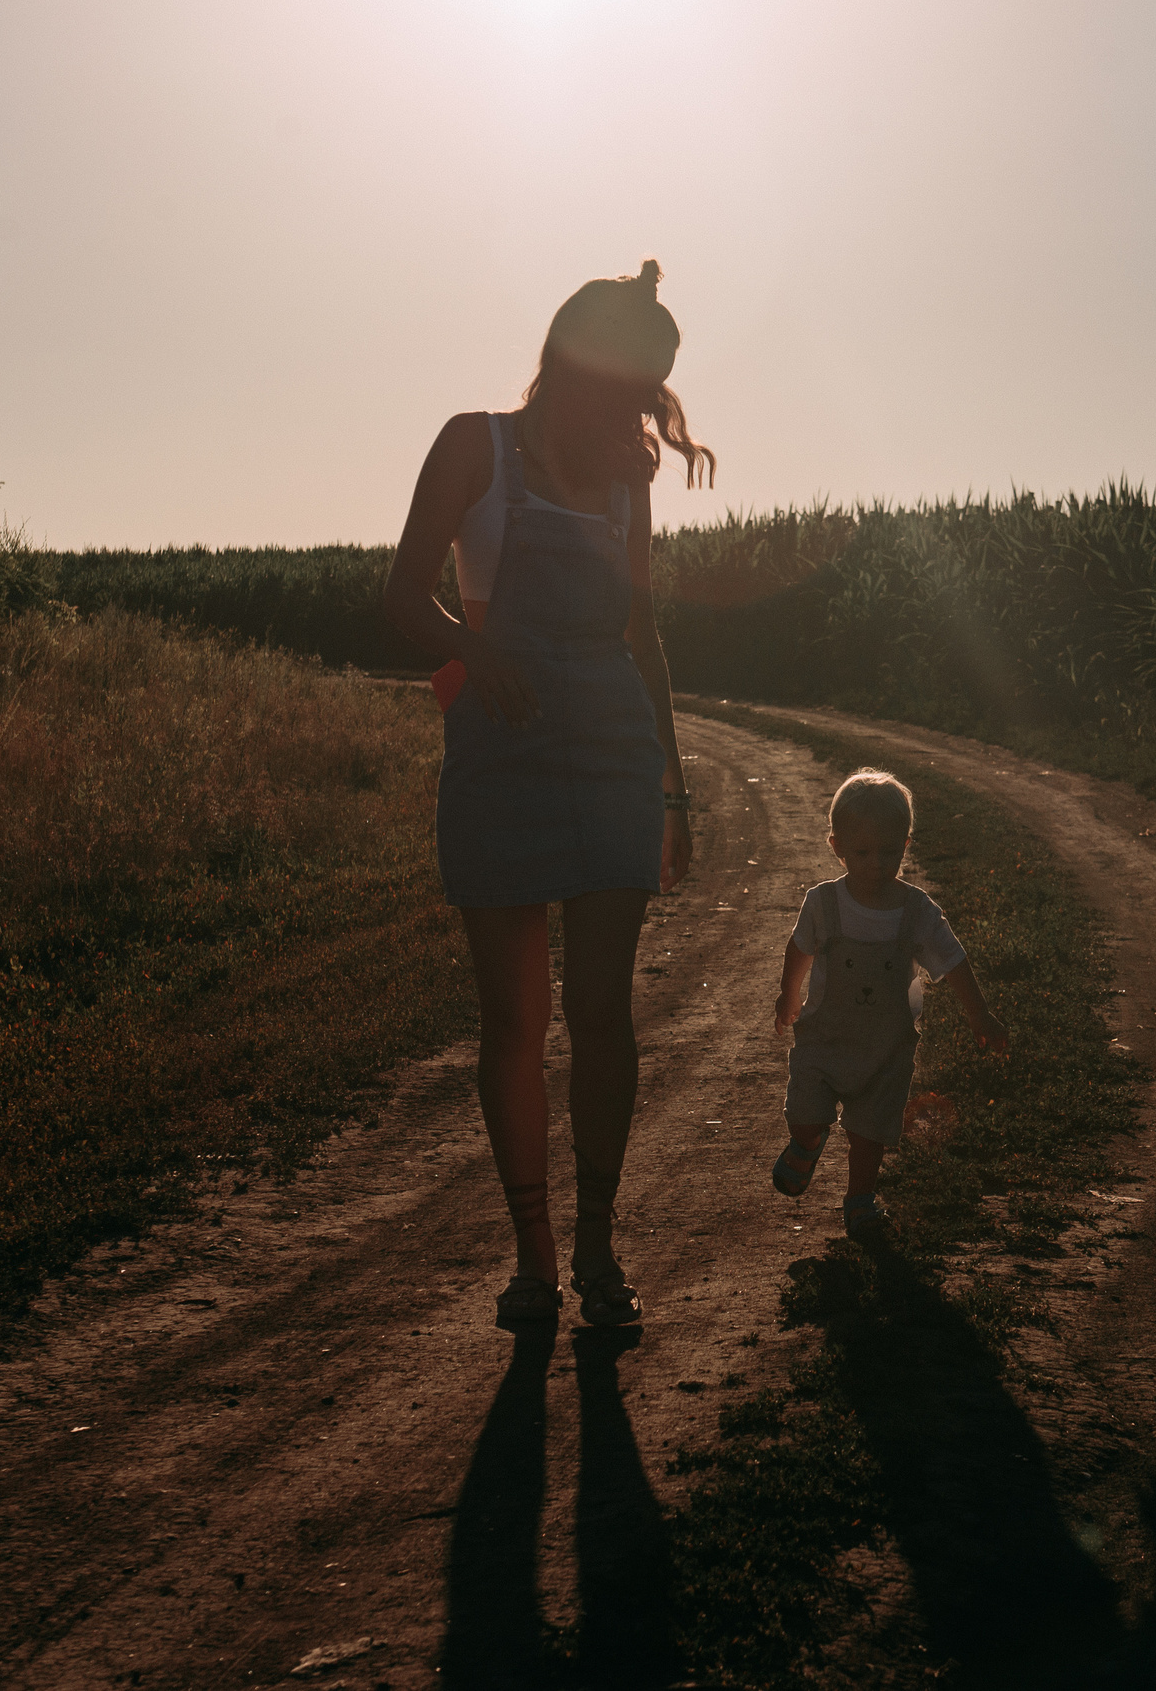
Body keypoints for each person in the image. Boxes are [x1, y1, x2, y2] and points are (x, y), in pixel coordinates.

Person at [382, 260, 713, 1328]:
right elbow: (400, 596)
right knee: (514, 1021)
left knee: (603, 1013)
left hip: (613, 746)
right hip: (501, 743)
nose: (629, 411)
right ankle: (533, 1256)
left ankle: (599, 1248)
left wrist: (674, 790)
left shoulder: (628, 477)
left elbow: (642, 633)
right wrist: (474, 649)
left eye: (640, 392)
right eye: (616, 385)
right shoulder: (472, 444)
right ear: (567, 361)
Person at [771, 769, 1008, 1235]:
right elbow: (799, 947)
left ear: (906, 842)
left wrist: (979, 1013)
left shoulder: (917, 911)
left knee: (869, 1131)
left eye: (890, 851)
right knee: (804, 1110)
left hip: (886, 1049)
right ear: (836, 846)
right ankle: (807, 1140)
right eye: (861, 852)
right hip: (825, 1037)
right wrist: (788, 993)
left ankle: (860, 1199)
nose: (877, 863)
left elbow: (953, 960)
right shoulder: (823, 903)